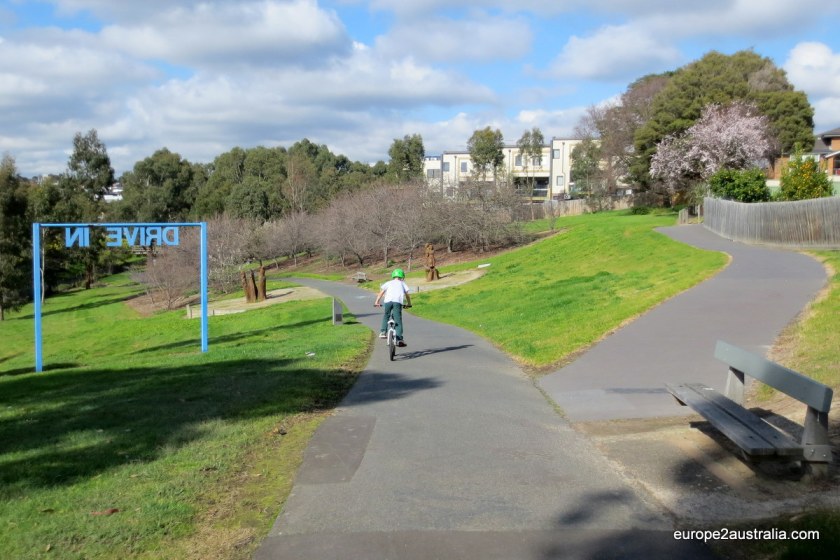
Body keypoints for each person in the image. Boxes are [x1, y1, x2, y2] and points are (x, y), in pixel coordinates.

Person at [374, 268, 412, 347]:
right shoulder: (402, 283)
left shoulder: (388, 283)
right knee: (398, 319)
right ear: (402, 276)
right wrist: (409, 303)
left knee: (386, 315)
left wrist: (377, 302)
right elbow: (407, 295)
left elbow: (381, 293)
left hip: (388, 302)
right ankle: (399, 339)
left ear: (393, 276)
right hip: (397, 302)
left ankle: (383, 332)